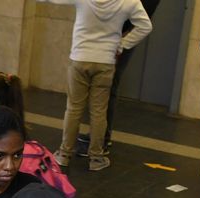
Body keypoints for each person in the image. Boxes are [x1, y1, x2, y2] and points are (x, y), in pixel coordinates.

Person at [56, 0, 151, 172]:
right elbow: (145, 26)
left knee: (73, 109)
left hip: (80, 58)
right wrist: (123, 44)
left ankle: (64, 154)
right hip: (105, 62)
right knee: (99, 112)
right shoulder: (129, 2)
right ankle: (96, 158)